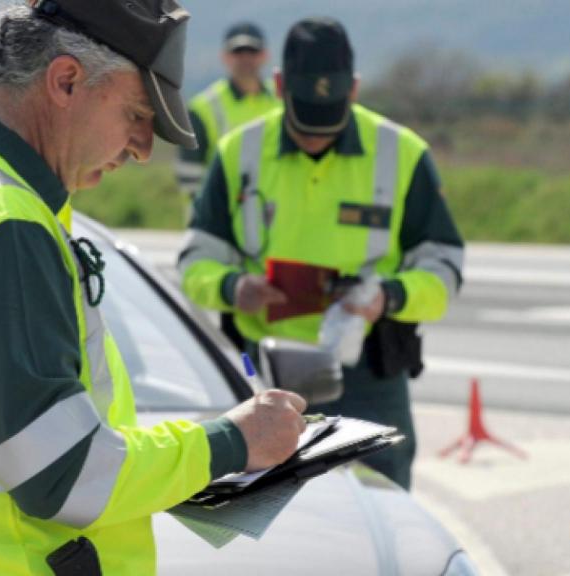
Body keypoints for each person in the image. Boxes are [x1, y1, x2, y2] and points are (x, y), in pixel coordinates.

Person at [0, 1, 307, 574]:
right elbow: (65, 475)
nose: (142, 149)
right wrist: (232, 443)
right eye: (138, 114)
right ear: (66, 81)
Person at [177, 17, 465, 491]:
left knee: (383, 506)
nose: (315, 136)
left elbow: (444, 267)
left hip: (369, 372)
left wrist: (388, 297)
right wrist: (233, 287)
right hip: (260, 371)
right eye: (305, 116)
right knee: (264, 512)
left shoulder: (402, 154)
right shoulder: (238, 153)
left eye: (328, 117)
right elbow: (194, 261)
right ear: (278, 86)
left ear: (353, 90)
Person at [174, 22, 280, 199]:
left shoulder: (281, 99)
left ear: (265, 55)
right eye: (238, 52)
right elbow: (189, 178)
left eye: (252, 52)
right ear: (225, 56)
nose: (245, 58)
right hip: (220, 218)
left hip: (272, 215)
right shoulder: (202, 108)